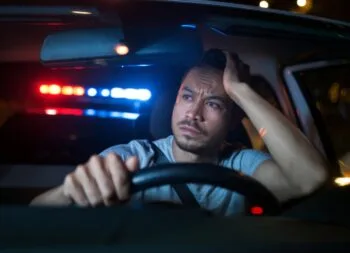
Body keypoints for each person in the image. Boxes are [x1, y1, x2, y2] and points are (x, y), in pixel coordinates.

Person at [30, 49, 330, 216]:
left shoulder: (243, 165)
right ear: (175, 102)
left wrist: (240, 90)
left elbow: (310, 177)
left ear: (235, 116)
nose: (193, 113)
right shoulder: (134, 157)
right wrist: (73, 191)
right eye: (187, 97)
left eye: (213, 103)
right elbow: (36, 215)